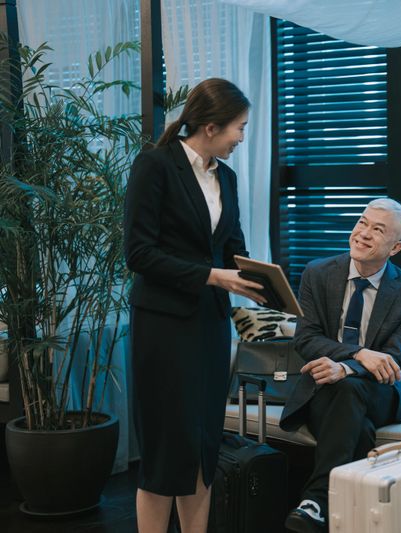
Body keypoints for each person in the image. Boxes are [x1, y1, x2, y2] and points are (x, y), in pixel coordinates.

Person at [124, 78, 266, 533]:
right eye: (238, 129)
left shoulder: (226, 176)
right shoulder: (155, 166)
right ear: (209, 126)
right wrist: (212, 276)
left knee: (203, 446)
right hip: (163, 329)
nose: (242, 138)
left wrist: (259, 281)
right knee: (167, 450)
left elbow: (230, 250)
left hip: (208, 325)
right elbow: (139, 254)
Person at [279, 198, 401, 533]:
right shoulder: (318, 273)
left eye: (378, 230)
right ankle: (349, 515)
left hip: (380, 391)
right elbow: (306, 339)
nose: (363, 233)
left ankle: (317, 499)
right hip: (326, 388)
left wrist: (345, 368)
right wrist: (358, 355)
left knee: (347, 387)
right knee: (355, 420)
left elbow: (397, 358)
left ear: (395, 247)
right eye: (362, 222)